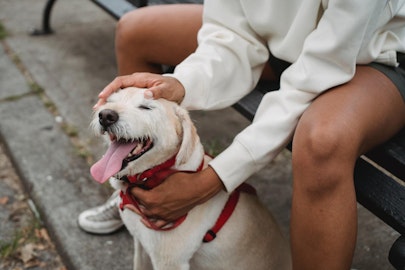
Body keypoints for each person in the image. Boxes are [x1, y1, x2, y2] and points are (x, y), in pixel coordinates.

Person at [79, 1, 405, 269]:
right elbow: (229, 33)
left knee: (323, 139)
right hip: (282, 47)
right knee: (134, 31)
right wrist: (182, 84)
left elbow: (322, 67)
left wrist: (214, 179)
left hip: (372, 53)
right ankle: (135, 189)